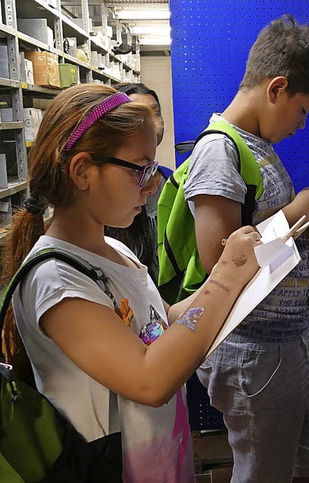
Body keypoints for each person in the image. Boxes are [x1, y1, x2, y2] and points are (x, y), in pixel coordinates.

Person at [0, 84, 261, 482]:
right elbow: (149, 378)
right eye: (140, 168)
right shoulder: (55, 280)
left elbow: (157, 323)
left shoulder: (111, 248)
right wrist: (224, 278)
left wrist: (234, 280)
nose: (153, 183)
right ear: (82, 171)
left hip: (157, 458)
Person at [186, 15, 309, 482]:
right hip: (252, 350)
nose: (302, 124)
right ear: (276, 88)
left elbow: (265, 233)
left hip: (291, 336)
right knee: (262, 472)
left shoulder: (258, 145)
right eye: (304, 110)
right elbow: (220, 264)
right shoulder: (220, 151)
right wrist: (299, 210)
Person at [105, 82, 169, 284]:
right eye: (138, 114)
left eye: (155, 113)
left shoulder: (173, 183)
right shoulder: (104, 204)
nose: (151, 122)